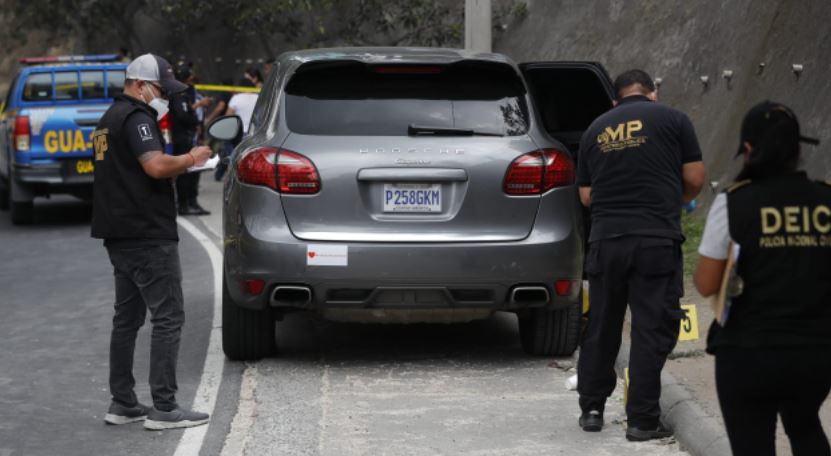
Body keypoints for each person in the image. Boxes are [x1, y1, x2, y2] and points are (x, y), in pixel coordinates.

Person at [575, 69, 705, 441]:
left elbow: (586, 196)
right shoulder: (674, 119)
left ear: (616, 100)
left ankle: (592, 409)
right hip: (655, 241)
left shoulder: (595, 130)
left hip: (606, 242)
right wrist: (666, 199)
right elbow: (695, 178)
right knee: (651, 328)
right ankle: (642, 420)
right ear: (653, 93)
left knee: (601, 325)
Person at [694, 101, 829, 456]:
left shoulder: (734, 204)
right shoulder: (826, 200)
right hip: (815, 352)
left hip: (748, 353)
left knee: (752, 444)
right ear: (798, 150)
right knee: (804, 424)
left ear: (749, 150)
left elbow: (706, 284)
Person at [90, 53, 212, 430]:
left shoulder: (107, 119)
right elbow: (155, 166)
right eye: (161, 89)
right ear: (141, 85)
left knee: (126, 320)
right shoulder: (137, 117)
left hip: (119, 235)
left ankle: (123, 402)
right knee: (168, 317)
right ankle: (164, 407)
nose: (166, 97)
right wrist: (191, 158)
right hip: (147, 235)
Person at [170, 62, 212, 215]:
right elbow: (182, 115)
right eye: (191, 76)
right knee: (185, 173)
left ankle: (192, 202)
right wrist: (195, 120)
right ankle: (184, 205)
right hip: (183, 138)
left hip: (192, 137)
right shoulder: (177, 94)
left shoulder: (186, 92)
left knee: (195, 171)